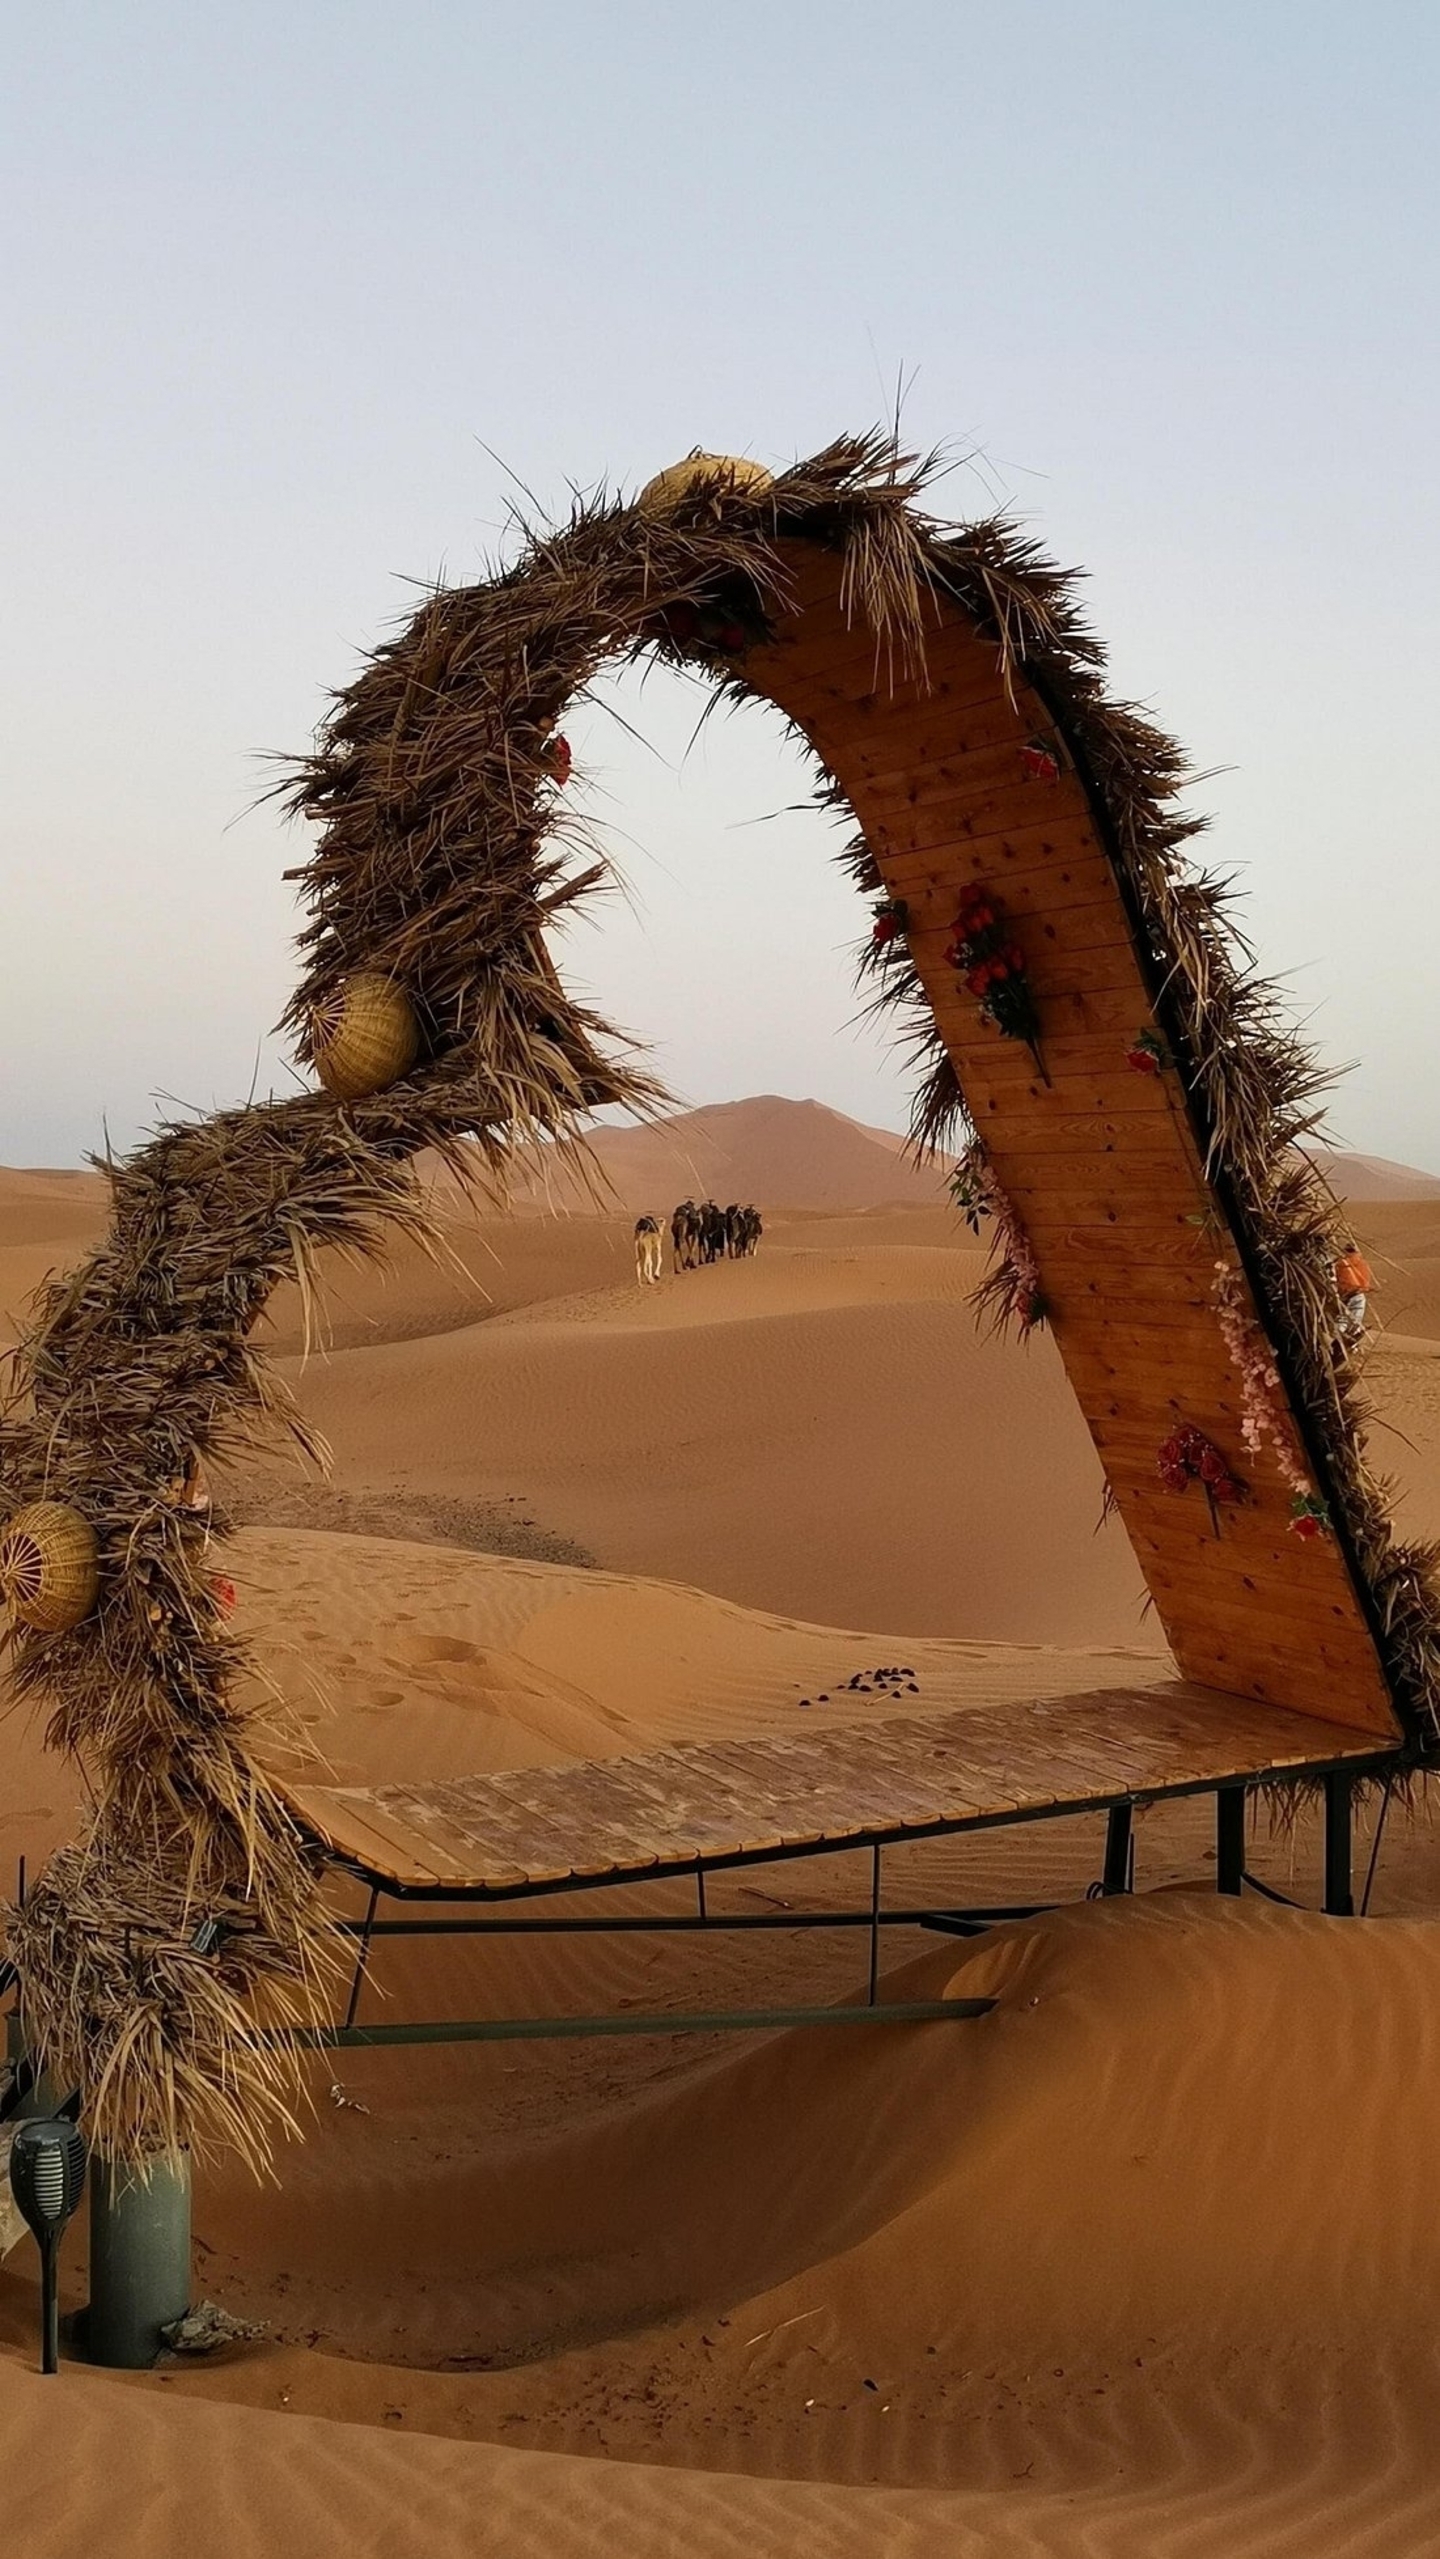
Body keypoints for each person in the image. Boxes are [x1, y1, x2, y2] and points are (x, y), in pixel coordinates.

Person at [1335, 1240, 1373, 1343]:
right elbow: (1366, 1281)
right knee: (1354, 1323)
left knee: (1343, 1321)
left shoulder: (1340, 1263)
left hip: (1346, 1296)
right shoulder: (1362, 1263)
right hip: (1359, 1295)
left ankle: (1338, 1342)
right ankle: (1349, 1345)